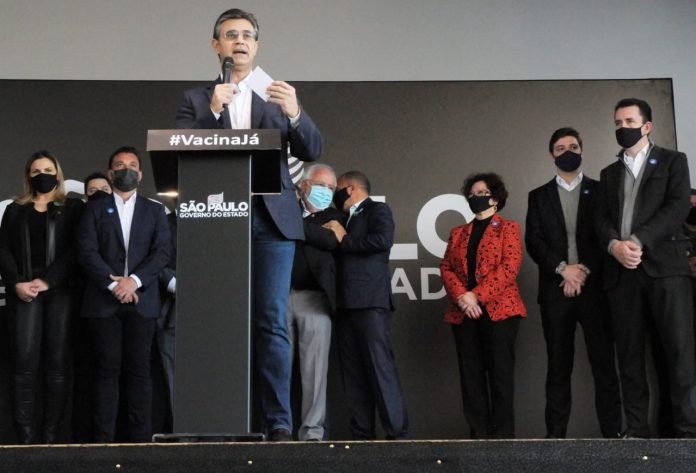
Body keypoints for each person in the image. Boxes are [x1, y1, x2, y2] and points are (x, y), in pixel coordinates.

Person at [174, 8, 322, 441]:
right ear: (215, 45)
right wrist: (211, 114)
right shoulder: (196, 99)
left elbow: (312, 147)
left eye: (247, 35)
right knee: (221, 321)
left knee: (272, 322)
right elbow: (180, 153)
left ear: (256, 45)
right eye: (230, 35)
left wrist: (295, 113)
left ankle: (278, 422)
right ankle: (218, 422)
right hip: (217, 221)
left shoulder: (277, 94)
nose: (239, 41)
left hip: (271, 222)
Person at [596, 98, 696, 438]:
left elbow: (679, 205)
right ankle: (636, 430)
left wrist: (638, 240)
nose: (622, 128)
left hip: (666, 271)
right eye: (618, 122)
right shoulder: (608, 174)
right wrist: (615, 246)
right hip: (622, 275)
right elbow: (601, 219)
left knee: (680, 353)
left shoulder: (672, 161)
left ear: (647, 126)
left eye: (628, 121)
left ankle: (687, 431)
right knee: (629, 356)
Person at [525, 128, 622, 438]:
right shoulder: (538, 196)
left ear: (582, 150)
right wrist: (563, 270)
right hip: (555, 293)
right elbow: (534, 241)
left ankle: (613, 434)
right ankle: (555, 439)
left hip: (595, 291)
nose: (567, 151)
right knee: (557, 367)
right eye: (560, 147)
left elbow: (605, 236)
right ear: (551, 154)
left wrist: (582, 271)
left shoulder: (601, 190)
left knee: (605, 365)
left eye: (573, 146)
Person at [77, 146, 171, 442]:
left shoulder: (154, 210)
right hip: (103, 301)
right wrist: (113, 284)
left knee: (140, 371)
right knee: (106, 370)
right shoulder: (93, 208)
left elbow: (162, 252)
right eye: (119, 165)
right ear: (110, 173)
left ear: (140, 174)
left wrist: (133, 281)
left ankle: (140, 440)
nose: (125, 169)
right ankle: (103, 440)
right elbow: (86, 250)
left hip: (142, 300)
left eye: (132, 165)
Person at [0, 150, 84, 444]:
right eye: (36, 171)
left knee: (57, 365)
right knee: (23, 364)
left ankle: (51, 436)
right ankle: (24, 436)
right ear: (28, 176)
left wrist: (48, 280)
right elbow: (3, 251)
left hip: (59, 292)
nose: (42, 175)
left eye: (47, 169)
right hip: (23, 292)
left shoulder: (73, 208)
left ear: (58, 174)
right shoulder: (14, 210)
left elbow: (77, 250)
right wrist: (17, 284)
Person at [323, 171, 409, 440]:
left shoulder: (377, 209)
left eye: (337, 189)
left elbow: (383, 241)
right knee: (353, 375)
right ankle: (361, 436)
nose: (334, 195)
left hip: (370, 302)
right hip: (345, 306)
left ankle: (397, 434)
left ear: (350, 189)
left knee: (379, 369)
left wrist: (344, 238)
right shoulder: (341, 218)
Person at [440, 172, 526, 439]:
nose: (476, 197)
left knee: (500, 376)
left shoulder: (509, 228)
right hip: (464, 314)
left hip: (500, 312)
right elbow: (446, 268)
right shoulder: (458, 233)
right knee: (471, 377)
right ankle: (478, 435)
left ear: (496, 198)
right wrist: (463, 299)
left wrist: (476, 296)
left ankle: (503, 439)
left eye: (482, 193)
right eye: (472, 194)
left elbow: (509, 267)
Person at [287, 163, 343, 441]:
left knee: (315, 371)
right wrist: (313, 230)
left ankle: (312, 433)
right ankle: (278, 428)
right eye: (322, 186)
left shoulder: (336, 215)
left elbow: (333, 241)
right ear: (304, 185)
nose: (327, 192)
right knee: (276, 368)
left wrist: (292, 224)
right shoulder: (286, 210)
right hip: (279, 298)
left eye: (331, 188)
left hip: (316, 300)